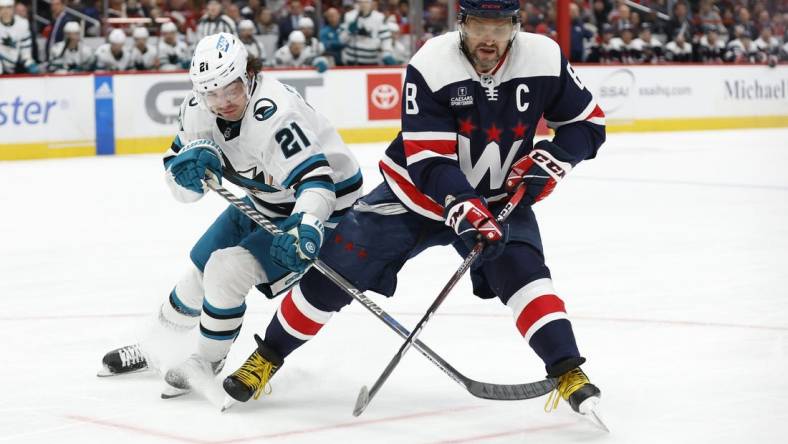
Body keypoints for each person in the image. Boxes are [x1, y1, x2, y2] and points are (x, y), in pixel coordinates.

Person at [220, 0, 607, 423]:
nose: (490, 38)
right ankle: (267, 357)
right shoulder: (432, 63)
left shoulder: (545, 58)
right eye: (480, 25)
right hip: (413, 197)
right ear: (462, 23)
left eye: (500, 25)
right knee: (336, 269)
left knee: (525, 274)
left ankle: (568, 370)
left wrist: (553, 158)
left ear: (516, 24)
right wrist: (462, 205)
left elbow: (588, 124)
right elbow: (428, 160)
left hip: (498, 199)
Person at [98, 32, 363, 400]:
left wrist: (308, 224)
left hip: (324, 209)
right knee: (198, 273)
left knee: (225, 270)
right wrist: (188, 177)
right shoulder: (196, 107)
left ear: (249, 76)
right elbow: (180, 187)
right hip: (267, 198)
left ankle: (206, 361)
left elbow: (318, 182)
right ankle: (158, 347)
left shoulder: (274, 114)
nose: (222, 103)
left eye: (232, 90)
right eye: (212, 93)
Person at [339, 0, 395, 65]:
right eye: (360, 2)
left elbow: (386, 38)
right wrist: (348, 31)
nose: (363, 5)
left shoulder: (379, 17)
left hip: (372, 60)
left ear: (371, 4)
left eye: (366, 2)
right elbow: (341, 40)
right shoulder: (349, 16)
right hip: (352, 60)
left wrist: (387, 52)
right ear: (356, 4)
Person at [0, 0, 38, 74]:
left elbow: (26, 52)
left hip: (16, 64)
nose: (5, 11)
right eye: (1, 8)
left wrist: (30, 64)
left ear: (13, 8)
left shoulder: (23, 24)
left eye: (8, 8)